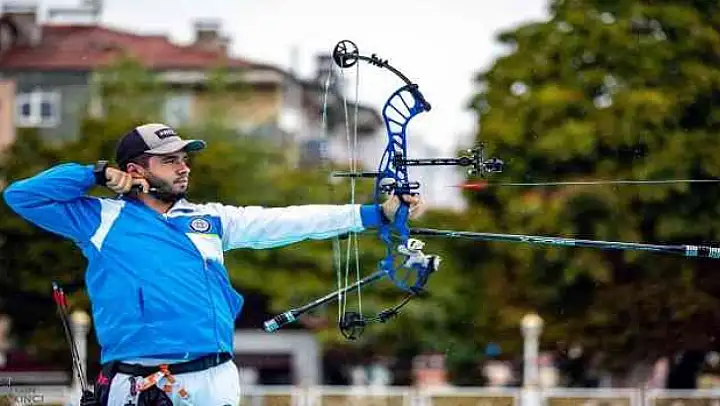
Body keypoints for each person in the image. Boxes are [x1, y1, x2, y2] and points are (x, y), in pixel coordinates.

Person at [2, 123, 425, 406]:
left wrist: (374, 215)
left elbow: (286, 221)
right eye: (170, 160)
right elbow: (20, 196)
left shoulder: (210, 218)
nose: (183, 168)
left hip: (216, 377)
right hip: (138, 381)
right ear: (134, 170)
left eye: (185, 159)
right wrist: (94, 174)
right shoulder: (99, 218)